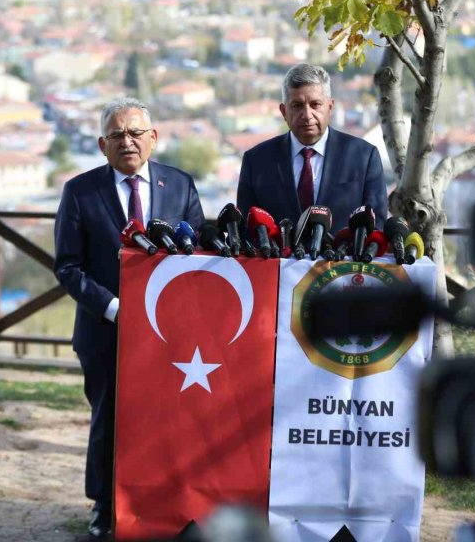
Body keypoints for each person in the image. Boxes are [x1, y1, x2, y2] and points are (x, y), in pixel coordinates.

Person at [53, 98, 205, 539]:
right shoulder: (79, 192)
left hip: (169, 335)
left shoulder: (180, 185)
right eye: (117, 135)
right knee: (110, 419)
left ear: (153, 138)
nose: (128, 142)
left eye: (137, 132)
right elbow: (67, 267)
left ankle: (170, 503)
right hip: (105, 330)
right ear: (103, 145)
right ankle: (103, 507)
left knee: (171, 419)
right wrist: (118, 308)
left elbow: (198, 257)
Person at [237, 63, 387, 231]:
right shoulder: (257, 161)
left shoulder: (364, 157)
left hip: (342, 257)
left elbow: (376, 229)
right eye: (297, 106)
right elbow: (245, 231)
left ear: (330, 107)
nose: (307, 115)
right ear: (283, 111)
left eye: (315, 104)